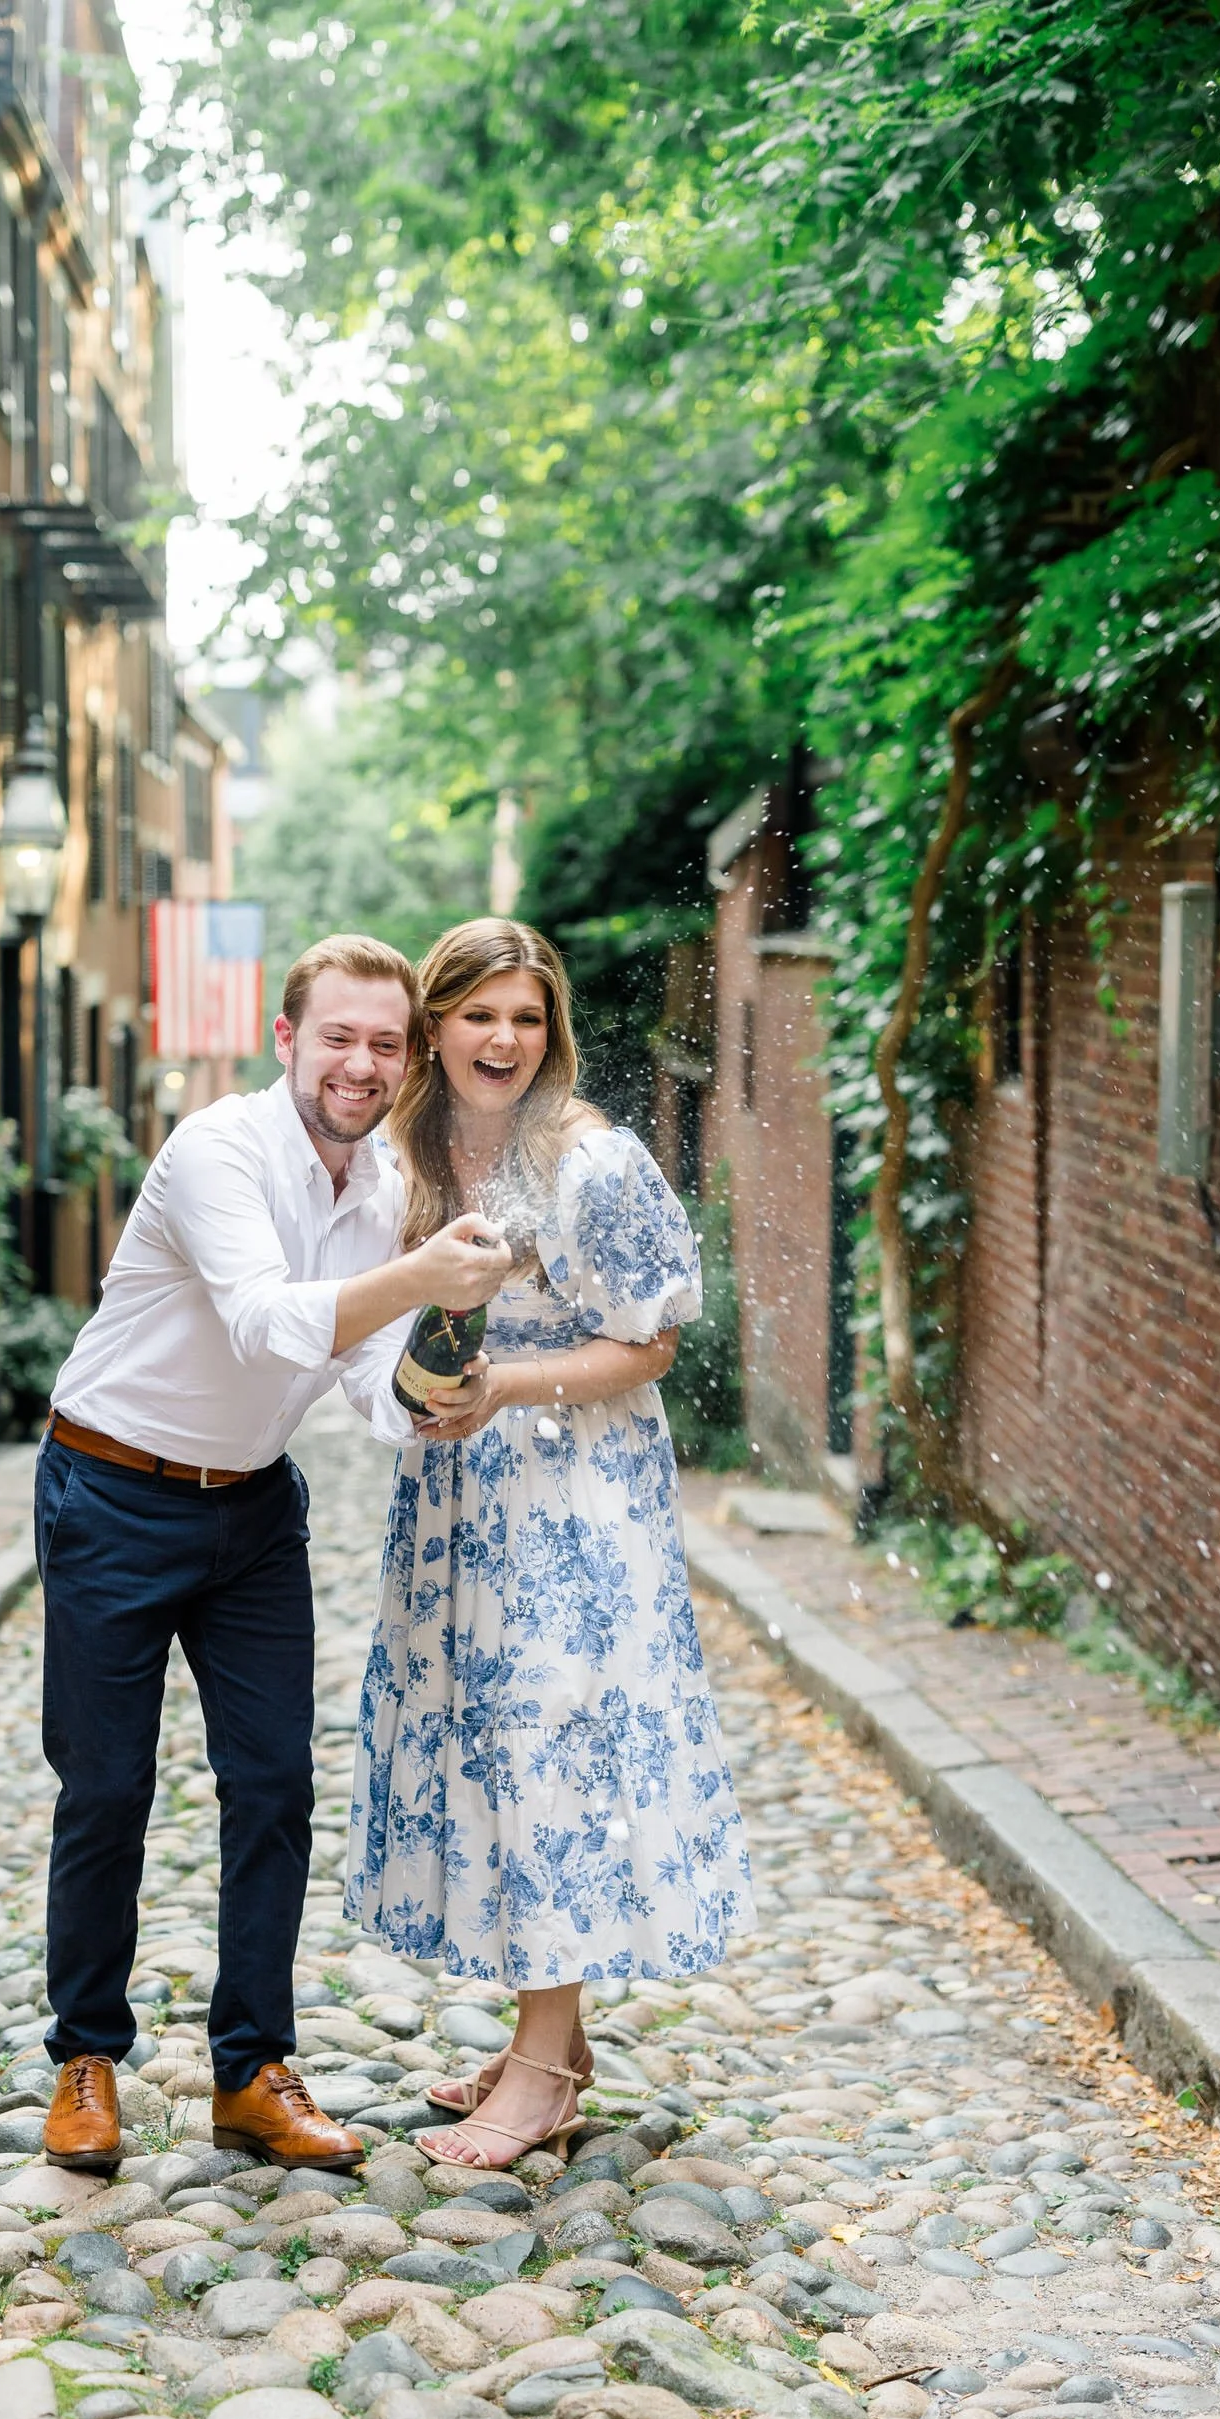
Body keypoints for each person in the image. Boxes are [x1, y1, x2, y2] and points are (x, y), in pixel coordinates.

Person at [34, 933, 511, 2175]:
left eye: (385, 1044)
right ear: (287, 1037)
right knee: (106, 1789)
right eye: (339, 1036)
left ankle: (250, 2070)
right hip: (111, 1492)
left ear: (406, 1066)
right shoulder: (217, 1151)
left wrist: (440, 1385)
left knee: (274, 1789)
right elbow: (260, 1322)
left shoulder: (377, 1186)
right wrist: (416, 1270)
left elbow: (355, 1374)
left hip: (251, 1513)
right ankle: (85, 2060)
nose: (360, 1063)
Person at [343, 917, 754, 2168]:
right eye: (478, 1014)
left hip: (571, 1502)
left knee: (549, 1756)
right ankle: (549, 2044)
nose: (505, 1040)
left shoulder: (590, 1162)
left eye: (527, 1017)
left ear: (550, 1030)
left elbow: (651, 1345)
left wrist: (503, 1387)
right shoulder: (418, 1154)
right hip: (463, 1502)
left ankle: (540, 2070)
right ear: (435, 1026)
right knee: (484, 1747)